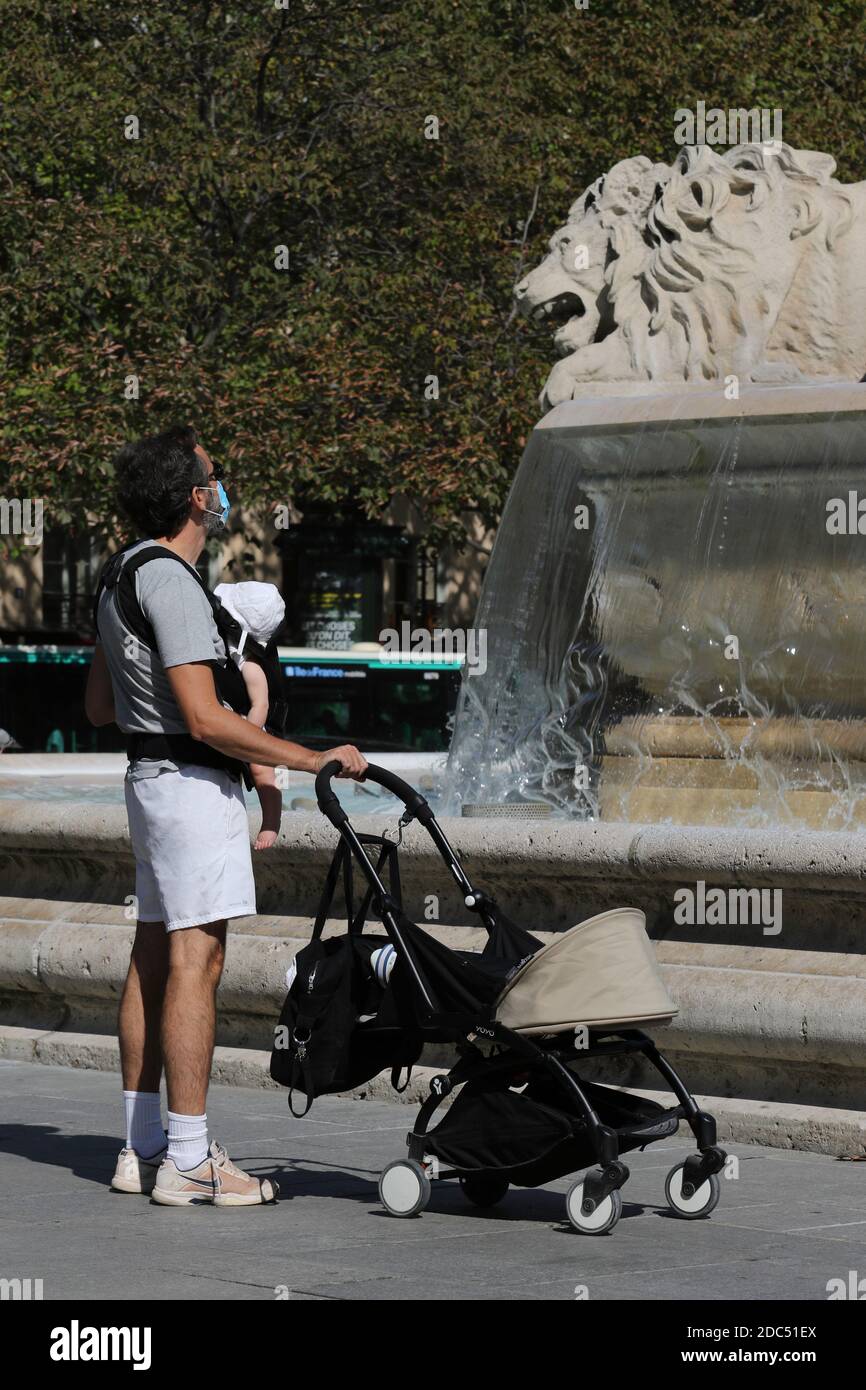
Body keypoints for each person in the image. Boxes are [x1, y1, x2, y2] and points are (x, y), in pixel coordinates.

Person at [85, 425, 367, 1207]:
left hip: (148, 782)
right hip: (191, 789)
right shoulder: (172, 582)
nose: (224, 487)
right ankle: (189, 1159)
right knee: (195, 963)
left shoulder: (116, 576)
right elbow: (208, 721)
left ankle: (141, 1150)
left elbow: (99, 706)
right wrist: (311, 759)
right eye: (217, 476)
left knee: (152, 957)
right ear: (196, 496)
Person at [213, 581, 285, 851]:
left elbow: (261, 704)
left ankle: (271, 821)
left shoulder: (249, 662)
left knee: (263, 772)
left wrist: (248, 734)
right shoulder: (223, 647)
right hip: (230, 721)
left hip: (250, 725)